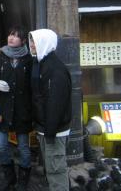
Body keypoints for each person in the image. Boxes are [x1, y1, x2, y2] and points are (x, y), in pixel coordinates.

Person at [0, 26, 33, 191]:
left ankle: (23, 181)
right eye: (10, 34)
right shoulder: (0, 57)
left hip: (22, 110)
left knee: (23, 147)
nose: (11, 38)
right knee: (1, 146)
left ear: (23, 41)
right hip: (3, 109)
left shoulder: (29, 60)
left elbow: (32, 87)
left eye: (16, 36)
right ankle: (10, 178)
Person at [29, 29, 72, 191]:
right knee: (51, 169)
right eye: (31, 41)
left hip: (53, 130)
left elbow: (56, 104)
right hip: (45, 128)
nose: (31, 45)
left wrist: (50, 131)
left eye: (34, 41)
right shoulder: (40, 63)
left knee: (56, 171)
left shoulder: (55, 69)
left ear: (44, 43)